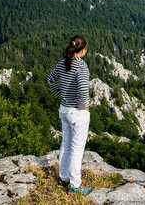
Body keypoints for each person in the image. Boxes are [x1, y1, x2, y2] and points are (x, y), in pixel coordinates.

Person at [47, 35, 93, 195]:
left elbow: (50, 80)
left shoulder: (62, 63)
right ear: (82, 50)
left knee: (66, 144)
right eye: (86, 48)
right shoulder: (81, 66)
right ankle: (75, 185)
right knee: (76, 149)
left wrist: (62, 95)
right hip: (77, 113)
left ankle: (64, 178)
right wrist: (83, 103)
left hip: (64, 110)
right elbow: (82, 88)